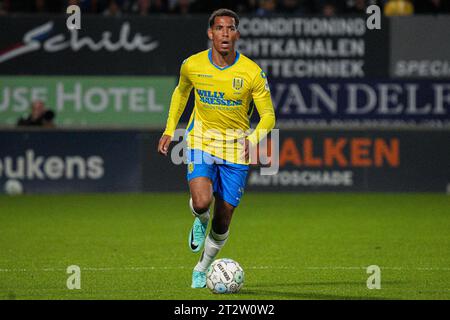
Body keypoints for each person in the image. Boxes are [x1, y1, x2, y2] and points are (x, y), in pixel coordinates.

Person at [157, 8, 276, 288]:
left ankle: (203, 266)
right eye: (219, 28)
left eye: (230, 28)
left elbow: (269, 115)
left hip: (236, 149)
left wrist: (254, 138)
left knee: (223, 221)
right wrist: (168, 129)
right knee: (201, 201)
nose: (224, 33)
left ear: (237, 33)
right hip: (201, 140)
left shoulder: (251, 72)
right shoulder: (193, 65)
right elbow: (181, 93)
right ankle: (200, 217)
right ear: (210, 33)